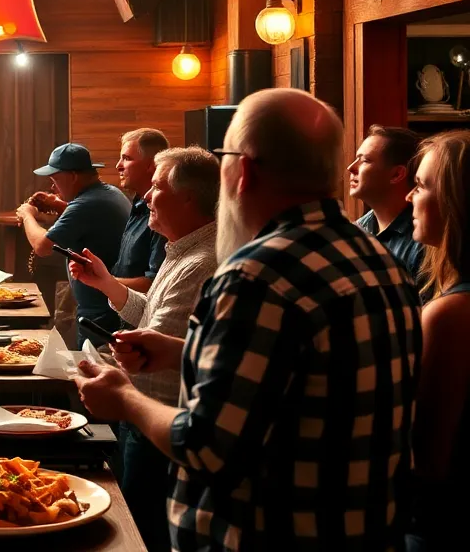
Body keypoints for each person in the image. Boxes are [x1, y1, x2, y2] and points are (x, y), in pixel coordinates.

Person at [75, 88, 422, 551]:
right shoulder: (382, 261)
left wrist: (124, 398)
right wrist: (185, 351)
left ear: (245, 171)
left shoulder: (257, 275)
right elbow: (303, 377)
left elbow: (205, 444)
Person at [67, 147, 219, 552]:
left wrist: (105, 365)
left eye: (156, 187)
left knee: (141, 535)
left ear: (187, 198)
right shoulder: (181, 247)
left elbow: (152, 342)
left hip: (159, 425)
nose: (147, 196)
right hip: (146, 415)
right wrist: (106, 282)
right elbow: (150, 312)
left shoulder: (202, 262)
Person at [406, 130, 470, 550]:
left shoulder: (451, 315)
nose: (409, 197)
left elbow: (427, 459)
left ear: (456, 203)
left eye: (421, 185)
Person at [15, 142, 130, 347]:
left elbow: (42, 247)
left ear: (73, 176)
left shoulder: (85, 204)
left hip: (100, 311)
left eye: (55, 180)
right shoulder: (109, 192)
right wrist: (57, 204)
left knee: (90, 363)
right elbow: (85, 218)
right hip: (110, 304)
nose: (53, 187)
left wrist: (27, 215)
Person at [349, 124, 426, 283]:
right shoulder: (356, 230)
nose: (351, 168)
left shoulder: (425, 241)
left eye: (365, 160)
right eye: (356, 159)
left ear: (396, 174)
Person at [113, 128, 169, 292]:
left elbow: (155, 283)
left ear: (151, 165)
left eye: (126, 158)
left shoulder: (164, 211)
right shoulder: (138, 202)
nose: (118, 166)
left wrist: (103, 282)